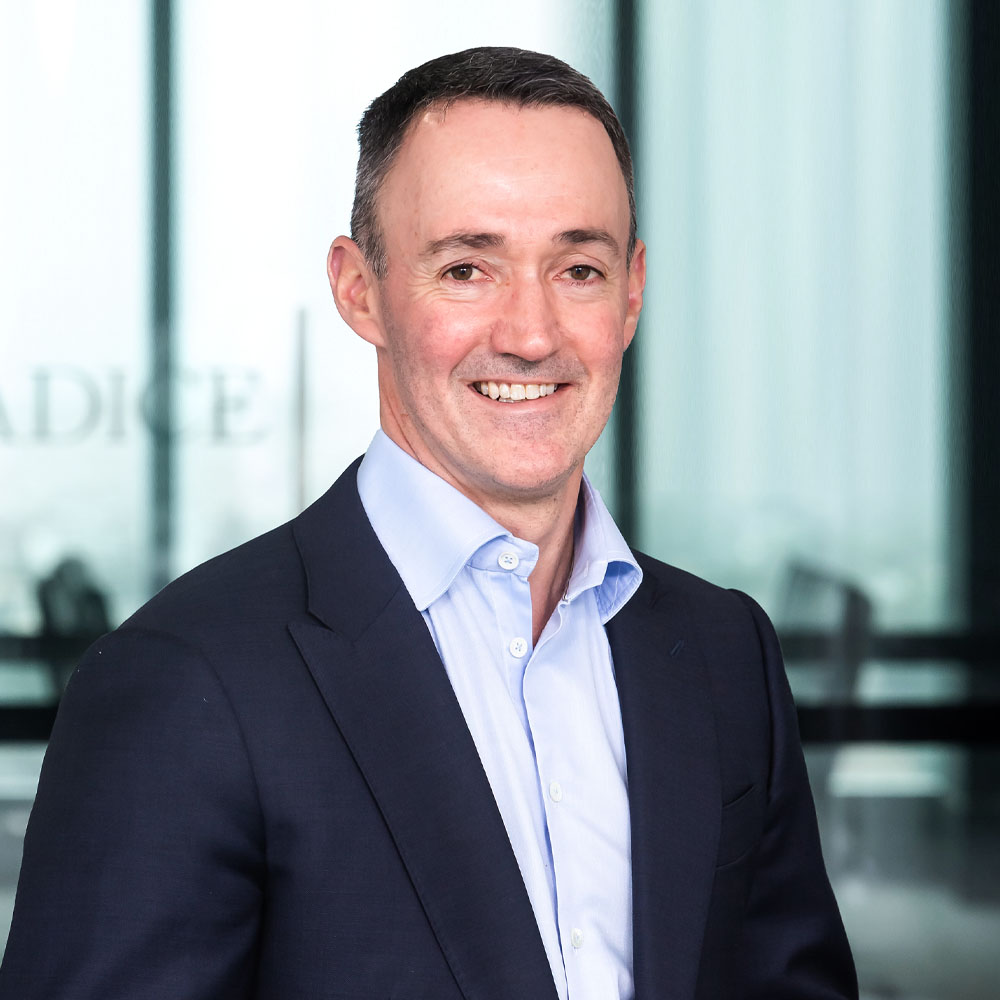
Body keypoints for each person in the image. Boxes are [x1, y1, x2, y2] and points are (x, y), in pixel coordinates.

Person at [0, 47, 857, 1000]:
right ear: (359, 290)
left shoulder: (723, 653)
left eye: (578, 269)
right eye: (466, 269)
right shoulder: (182, 683)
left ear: (632, 292)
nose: (531, 334)